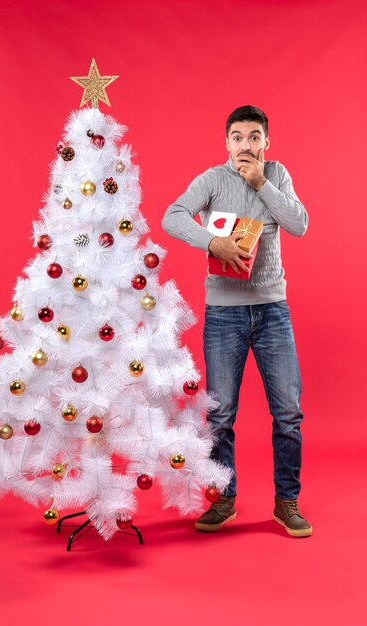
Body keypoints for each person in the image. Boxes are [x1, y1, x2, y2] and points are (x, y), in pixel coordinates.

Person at [161, 105, 312, 538]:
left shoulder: (277, 174)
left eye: (254, 137)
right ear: (226, 142)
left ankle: (287, 502)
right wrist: (214, 242)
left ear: (266, 142)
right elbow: (172, 216)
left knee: (288, 413)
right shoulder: (210, 179)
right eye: (238, 137)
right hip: (223, 313)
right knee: (221, 413)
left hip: (272, 311)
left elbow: (298, 225)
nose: (246, 144)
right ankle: (224, 498)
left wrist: (260, 182)